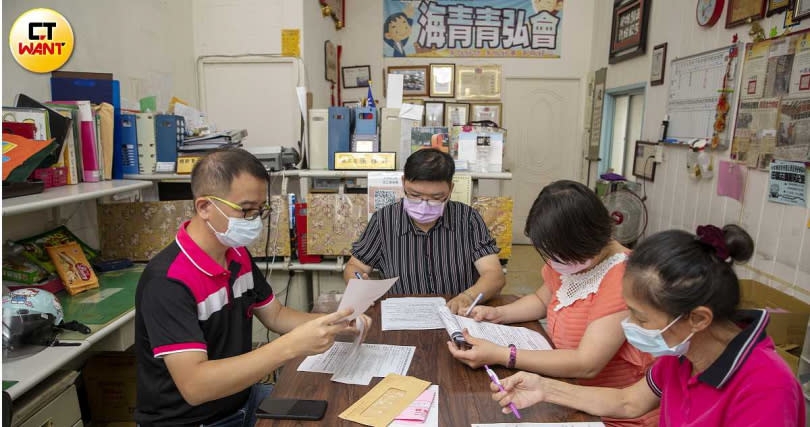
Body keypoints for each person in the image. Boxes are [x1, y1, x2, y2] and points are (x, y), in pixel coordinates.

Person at [134, 148, 371, 426]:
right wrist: (290, 346)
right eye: (245, 210)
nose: (254, 220)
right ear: (204, 207)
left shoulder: (236, 254)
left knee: (341, 408)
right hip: (191, 420)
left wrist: (336, 322)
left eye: (260, 210)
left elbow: (276, 315)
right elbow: (195, 386)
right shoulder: (168, 281)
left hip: (243, 399)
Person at [489, 225, 806, 427]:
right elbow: (629, 402)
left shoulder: (767, 386)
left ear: (698, 318)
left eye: (641, 318)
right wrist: (545, 388)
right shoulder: (684, 353)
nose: (630, 325)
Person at [447, 180, 658, 426]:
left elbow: (586, 364)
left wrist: (503, 355)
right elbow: (540, 300)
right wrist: (497, 314)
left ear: (585, 241)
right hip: (570, 395)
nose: (553, 262)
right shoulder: (574, 260)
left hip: (611, 413)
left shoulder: (623, 278)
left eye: (558, 255)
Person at [344, 148, 505, 314]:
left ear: (450, 189)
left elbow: (494, 274)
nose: (424, 205)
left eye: (436, 198)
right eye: (415, 195)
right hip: (401, 317)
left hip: (456, 315)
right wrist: (358, 284)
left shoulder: (468, 219)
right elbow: (355, 266)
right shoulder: (384, 220)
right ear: (403, 182)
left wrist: (468, 297)